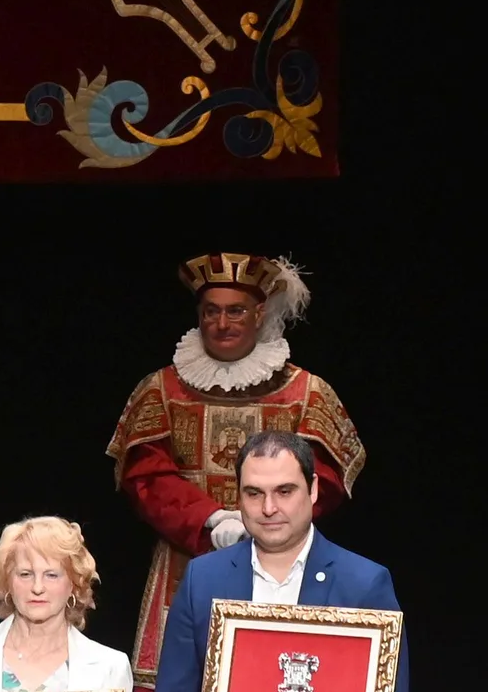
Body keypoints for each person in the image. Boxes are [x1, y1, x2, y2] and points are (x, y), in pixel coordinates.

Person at [104, 253, 366, 690]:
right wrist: (211, 519)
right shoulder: (161, 389)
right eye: (211, 311)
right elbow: (144, 476)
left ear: (260, 314)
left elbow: (328, 478)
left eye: (235, 311)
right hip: (186, 561)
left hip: (284, 561)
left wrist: (267, 523)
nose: (222, 323)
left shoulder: (306, 392)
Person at [155, 432, 408, 692]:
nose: (268, 508)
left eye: (284, 491)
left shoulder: (364, 584)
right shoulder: (202, 579)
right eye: (254, 493)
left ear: (313, 490)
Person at [0, 517, 134, 692]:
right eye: (26, 574)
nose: (38, 587)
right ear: (7, 581)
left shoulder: (111, 667)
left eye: (51, 575)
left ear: (73, 584)